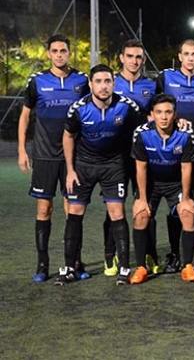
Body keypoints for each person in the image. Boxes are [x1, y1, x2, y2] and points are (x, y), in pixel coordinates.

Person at [58, 64, 143, 285]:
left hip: (113, 165)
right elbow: (68, 136)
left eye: (107, 81)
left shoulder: (127, 106)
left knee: (117, 212)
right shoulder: (78, 109)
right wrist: (70, 170)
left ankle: (124, 268)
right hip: (83, 165)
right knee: (75, 211)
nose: (103, 86)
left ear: (114, 83)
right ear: (90, 84)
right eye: (98, 81)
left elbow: (145, 126)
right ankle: (69, 267)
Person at [17, 34, 89, 283]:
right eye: (55, 51)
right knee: (44, 208)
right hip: (44, 156)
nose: (59, 55)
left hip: (73, 157)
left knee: (73, 209)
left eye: (63, 50)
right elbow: (25, 116)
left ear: (69, 53)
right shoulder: (37, 81)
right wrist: (22, 150)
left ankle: (75, 261)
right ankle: (42, 264)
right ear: (49, 54)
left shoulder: (82, 80)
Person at [156, 39, 194, 273]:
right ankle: (174, 253)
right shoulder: (165, 77)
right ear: (179, 56)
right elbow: (154, 107)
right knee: (175, 204)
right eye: (187, 54)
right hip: (171, 149)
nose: (191, 58)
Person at [103, 39, 159, 277]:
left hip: (144, 155)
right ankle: (111, 254)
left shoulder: (151, 85)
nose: (134, 61)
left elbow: (157, 114)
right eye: (130, 56)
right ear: (121, 58)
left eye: (138, 57)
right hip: (115, 155)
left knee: (146, 205)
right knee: (114, 207)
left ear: (143, 60)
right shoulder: (110, 83)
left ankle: (149, 253)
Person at [129, 94, 194, 284]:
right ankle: (141, 267)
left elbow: (186, 168)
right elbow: (141, 167)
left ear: (175, 114)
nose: (164, 117)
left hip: (176, 183)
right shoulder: (142, 133)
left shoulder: (186, 134)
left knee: (187, 213)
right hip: (152, 183)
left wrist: (186, 198)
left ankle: (187, 266)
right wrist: (142, 199)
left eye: (168, 112)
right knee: (141, 214)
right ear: (152, 114)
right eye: (159, 112)